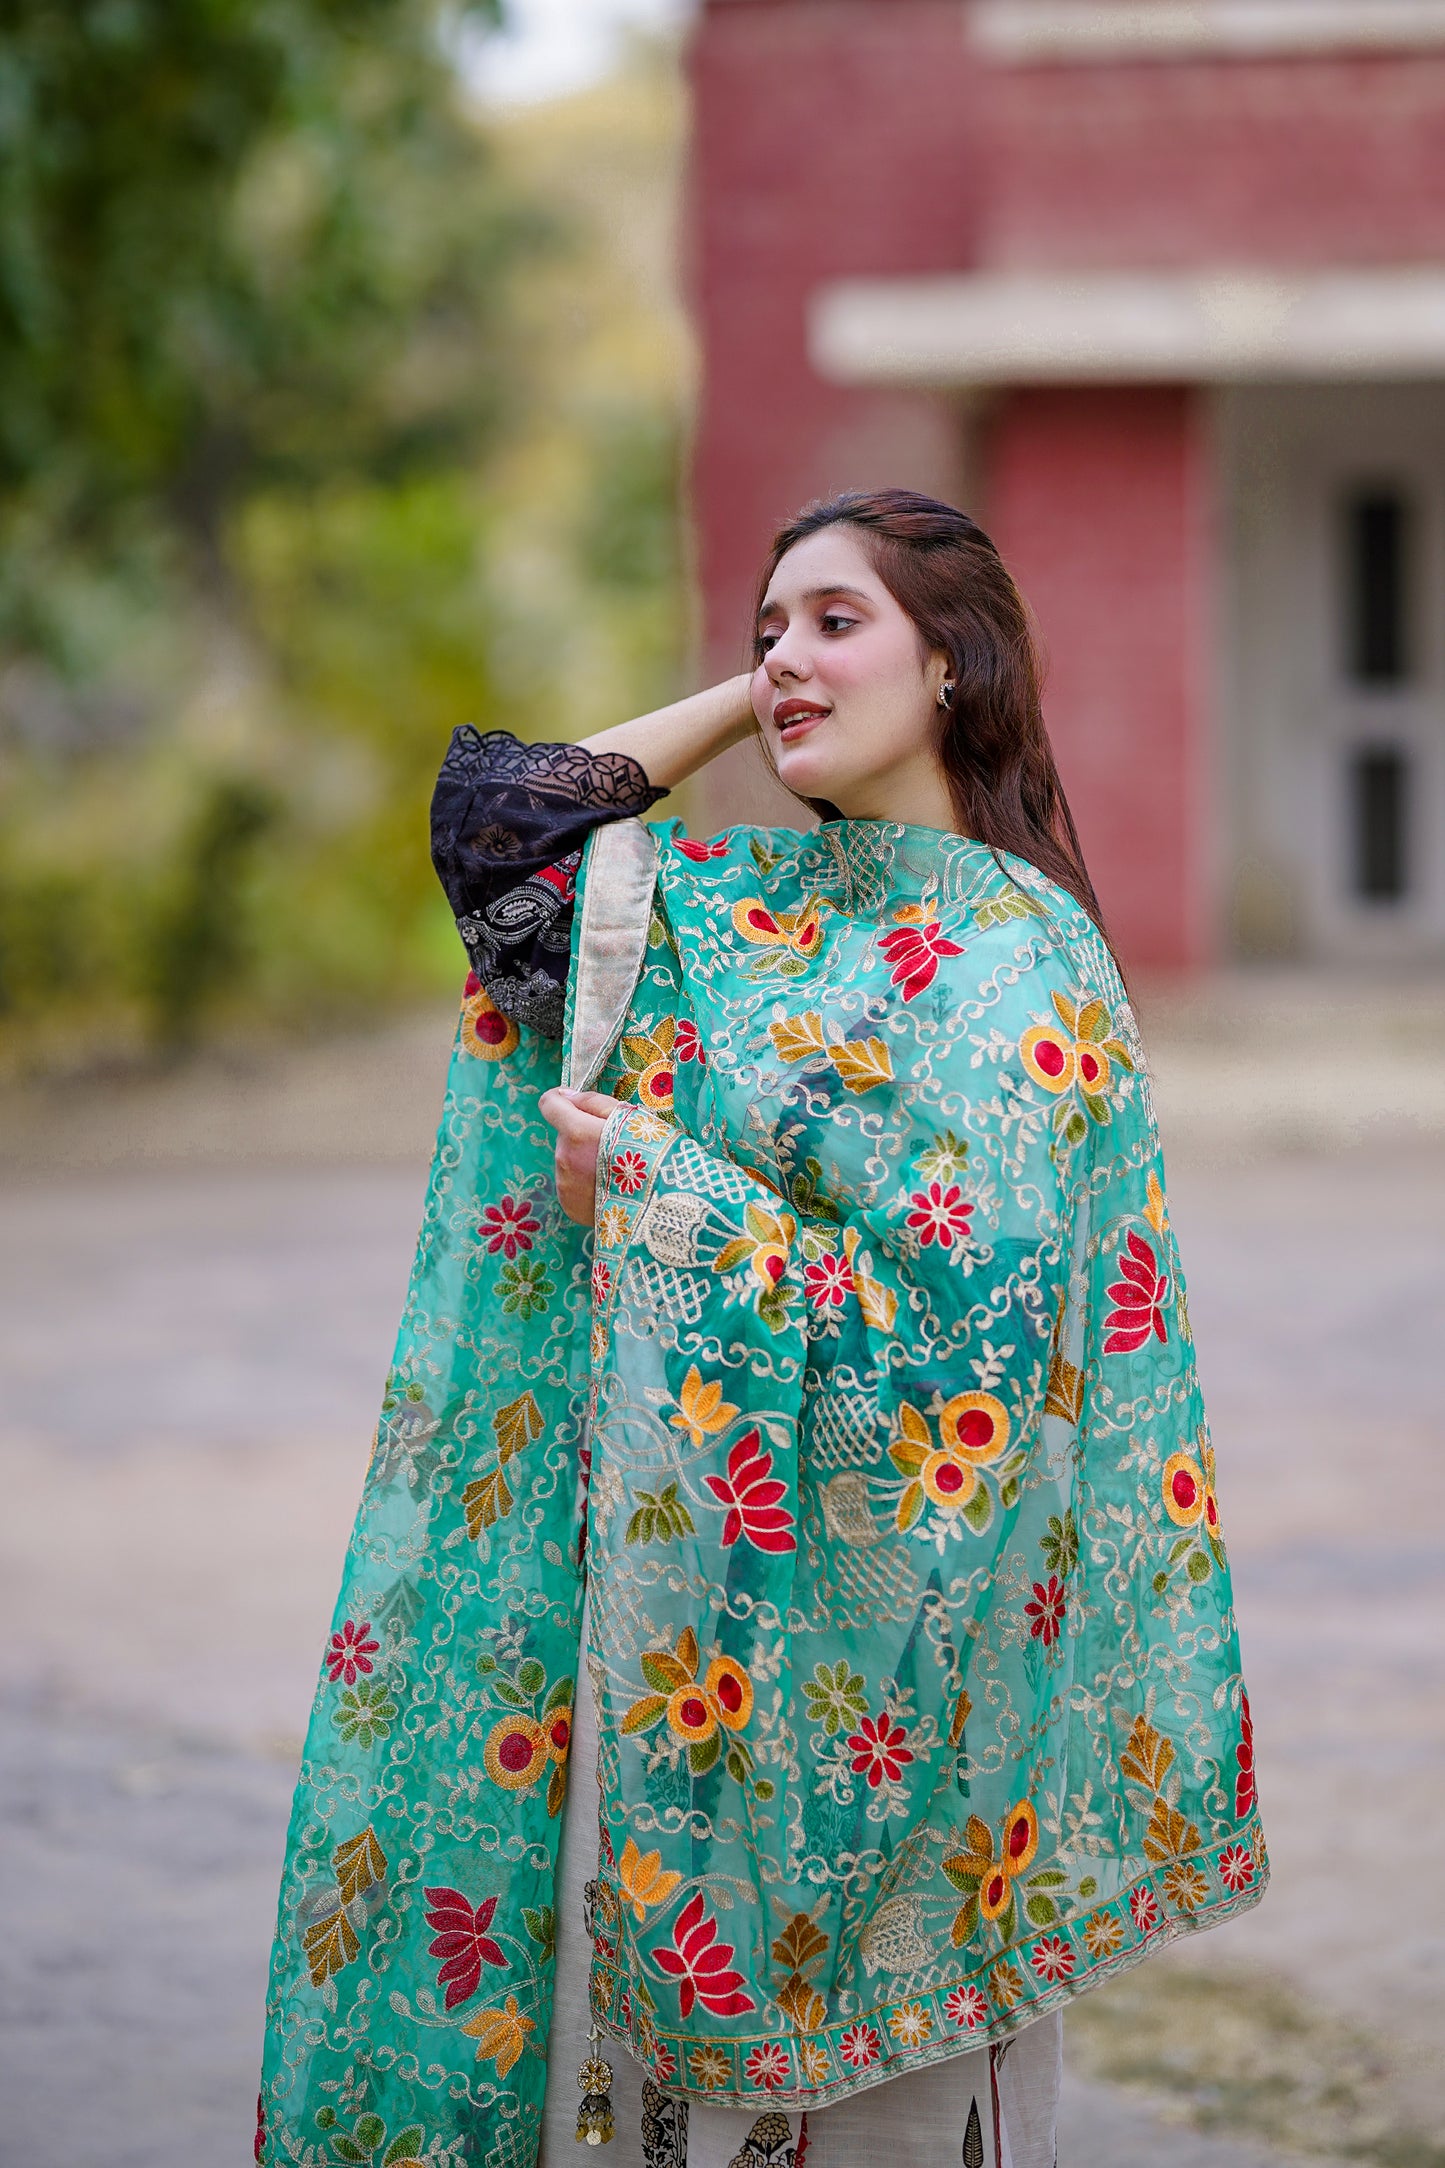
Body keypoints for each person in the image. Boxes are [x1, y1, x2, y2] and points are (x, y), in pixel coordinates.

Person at [257, 490, 1266, 2168]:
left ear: (956, 660)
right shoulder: (747, 919)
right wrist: (769, 702)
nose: (786, 656)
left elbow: (972, 1377)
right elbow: (499, 830)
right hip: (683, 1649)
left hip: (899, 1687)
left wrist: (661, 1195)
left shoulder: (1020, 963)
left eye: (834, 621)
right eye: (762, 630)